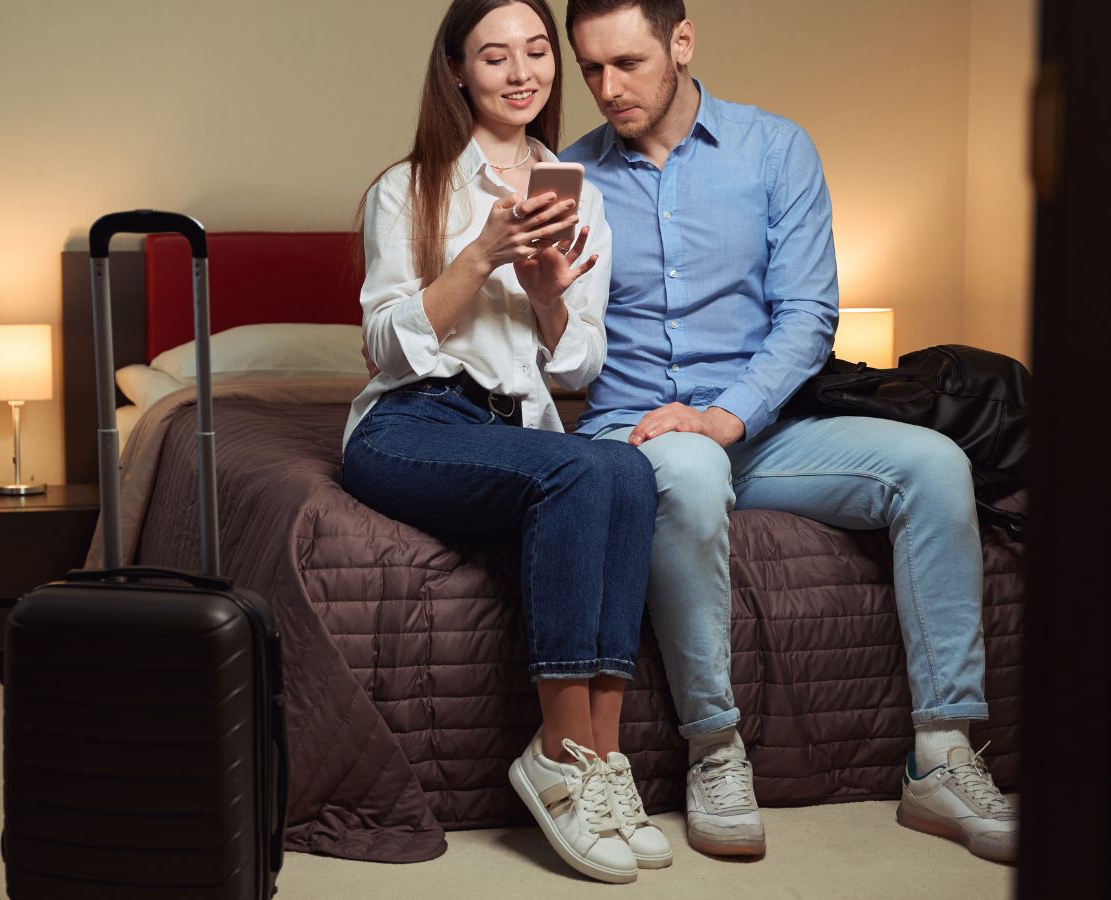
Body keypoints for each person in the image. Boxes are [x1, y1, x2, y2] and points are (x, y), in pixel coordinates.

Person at [558, 0, 1019, 864]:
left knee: (936, 464)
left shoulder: (776, 150)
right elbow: (556, 350)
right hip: (634, 431)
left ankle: (943, 756)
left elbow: (808, 314)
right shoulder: (572, 176)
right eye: (591, 69)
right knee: (690, 472)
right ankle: (715, 750)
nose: (607, 88)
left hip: (763, 426)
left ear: (682, 42)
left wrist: (728, 413)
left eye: (627, 63)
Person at [340, 0, 671, 884]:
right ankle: (559, 756)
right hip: (409, 423)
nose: (523, 72)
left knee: (624, 469)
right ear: (456, 71)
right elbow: (383, 348)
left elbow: (575, 367)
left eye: (536, 52)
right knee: (575, 470)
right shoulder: (408, 188)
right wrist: (481, 257)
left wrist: (550, 291)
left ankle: (603, 758)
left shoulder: (579, 193)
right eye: (495, 57)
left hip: (514, 423)